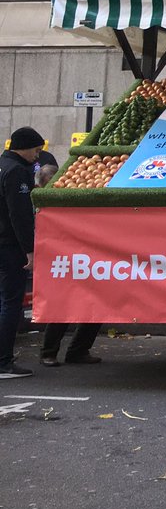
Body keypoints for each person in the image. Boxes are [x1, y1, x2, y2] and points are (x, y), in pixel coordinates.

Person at [32, 148, 102, 367]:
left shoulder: (71, 199)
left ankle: (78, 351)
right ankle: (49, 352)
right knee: (61, 307)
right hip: (59, 262)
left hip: (81, 259)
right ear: (41, 186)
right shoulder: (39, 207)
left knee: (97, 304)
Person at [0, 127, 41, 378]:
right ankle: (4, 360)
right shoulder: (16, 172)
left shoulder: (2, 165)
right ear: (23, 147)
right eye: (36, 150)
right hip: (10, 245)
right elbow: (20, 216)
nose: (37, 156)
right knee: (10, 303)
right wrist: (30, 250)